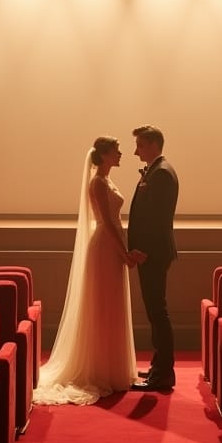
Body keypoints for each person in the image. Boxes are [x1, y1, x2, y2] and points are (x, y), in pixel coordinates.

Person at [33, 136, 139, 406]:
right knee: (103, 305)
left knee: (110, 304)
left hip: (110, 244)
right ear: (104, 155)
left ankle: (112, 367)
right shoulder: (97, 182)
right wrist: (124, 253)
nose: (121, 153)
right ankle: (101, 368)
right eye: (117, 150)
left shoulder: (105, 180)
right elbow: (108, 223)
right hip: (105, 247)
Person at [128, 125, 179, 391]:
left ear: (153, 145)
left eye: (140, 145)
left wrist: (142, 250)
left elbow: (157, 221)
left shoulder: (161, 174)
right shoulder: (157, 171)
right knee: (155, 312)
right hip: (153, 253)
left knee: (158, 313)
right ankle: (158, 368)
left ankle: (163, 375)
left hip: (154, 254)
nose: (136, 152)